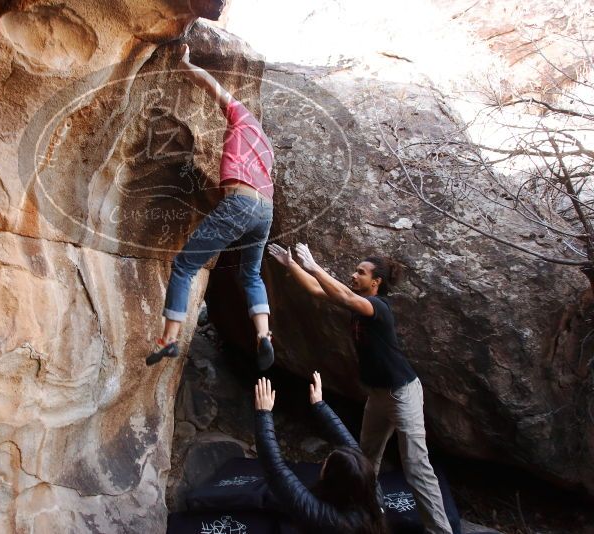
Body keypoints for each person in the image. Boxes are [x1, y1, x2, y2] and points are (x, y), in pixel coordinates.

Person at [266, 243, 452, 534]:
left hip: (403, 394)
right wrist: (291, 265)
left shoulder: (378, 307)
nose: (354, 275)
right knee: (365, 459)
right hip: (377, 394)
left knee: (416, 466)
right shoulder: (359, 304)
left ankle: (440, 530)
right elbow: (316, 289)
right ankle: (368, 517)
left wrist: (313, 265)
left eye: (361, 272)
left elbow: (343, 295)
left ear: (376, 282)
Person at [147, 44, 275, 370]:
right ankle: (264, 335)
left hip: (241, 202)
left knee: (184, 266)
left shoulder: (242, 116)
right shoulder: (267, 148)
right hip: (265, 211)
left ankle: (168, 339)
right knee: (251, 275)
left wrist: (185, 64)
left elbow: (210, 85)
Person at [254, 374, 388, 534]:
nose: (323, 463)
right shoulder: (371, 495)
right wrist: (319, 405)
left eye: (326, 463)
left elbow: (276, 471)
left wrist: (263, 413)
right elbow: (352, 447)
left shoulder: (327, 520)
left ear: (334, 483)